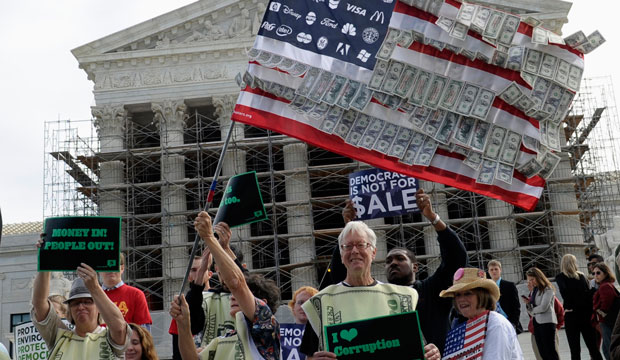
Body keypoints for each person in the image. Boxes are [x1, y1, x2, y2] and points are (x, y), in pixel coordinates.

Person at [339, 188, 467, 352]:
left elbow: (456, 257)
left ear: (415, 267)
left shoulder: (432, 290)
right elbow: (342, 274)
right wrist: (349, 229)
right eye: (388, 261)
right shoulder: (377, 297)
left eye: (400, 259)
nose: (393, 263)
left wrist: (432, 217)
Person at [299, 220, 441, 360]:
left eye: (361, 245)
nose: (354, 251)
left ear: (373, 252)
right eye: (347, 246)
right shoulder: (322, 302)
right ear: (342, 256)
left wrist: (432, 353)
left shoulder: (401, 297)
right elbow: (309, 356)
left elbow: (418, 349)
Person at [171, 212, 281, 359]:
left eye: (240, 295)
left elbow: (238, 284)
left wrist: (210, 238)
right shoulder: (223, 340)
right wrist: (183, 323)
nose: (232, 297)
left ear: (263, 306)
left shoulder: (267, 327)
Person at [32, 237, 131, 358]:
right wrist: (45, 261)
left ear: (99, 308)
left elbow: (120, 328)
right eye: (75, 303)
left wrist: (95, 288)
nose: (81, 306)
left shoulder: (109, 339)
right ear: (70, 310)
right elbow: (39, 304)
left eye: (87, 302)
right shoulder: (59, 336)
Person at [440, 267, 522, 359]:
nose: (461, 299)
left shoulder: (496, 325)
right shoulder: (470, 325)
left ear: (482, 295)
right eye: (458, 295)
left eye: (468, 293)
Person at [555, 254, 603, 360]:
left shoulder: (560, 277)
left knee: (575, 350)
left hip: (571, 315)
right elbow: (588, 296)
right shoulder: (581, 276)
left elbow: (566, 296)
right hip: (585, 314)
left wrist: (570, 306)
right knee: (593, 348)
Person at [169, 252, 210, 359]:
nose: (198, 273)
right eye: (193, 270)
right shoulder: (181, 305)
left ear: (210, 274)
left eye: (201, 269)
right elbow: (177, 350)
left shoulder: (221, 299)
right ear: (188, 276)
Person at [102, 253, 152, 330]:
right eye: (106, 264)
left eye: (114, 263)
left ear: (122, 268)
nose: (110, 268)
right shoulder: (92, 297)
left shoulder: (136, 295)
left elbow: (144, 332)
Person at [522, 267, 559, 360]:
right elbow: (531, 310)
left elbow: (543, 307)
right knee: (542, 352)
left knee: (550, 351)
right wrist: (528, 304)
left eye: (532, 279)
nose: (531, 282)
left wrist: (533, 309)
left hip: (547, 323)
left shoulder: (548, 289)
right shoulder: (534, 290)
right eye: (529, 280)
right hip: (537, 323)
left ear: (538, 277)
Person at [592, 262, 620, 360]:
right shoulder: (607, 285)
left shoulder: (605, 286)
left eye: (598, 273)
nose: (595, 276)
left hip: (607, 321)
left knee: (608, 348)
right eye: (594, 273)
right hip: (609, 321)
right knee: (607, 347)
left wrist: (599, 313)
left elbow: (606, 305)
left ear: (605, 273)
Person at [487, 260, 523, 334]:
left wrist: (513, 323)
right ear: (488, 272)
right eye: (491, 270)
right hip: (493, 323)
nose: (494, 271)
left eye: (496, 269)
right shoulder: (486, 288)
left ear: (500, 270)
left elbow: (516, 306)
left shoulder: (510, 286)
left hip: (508, 321)